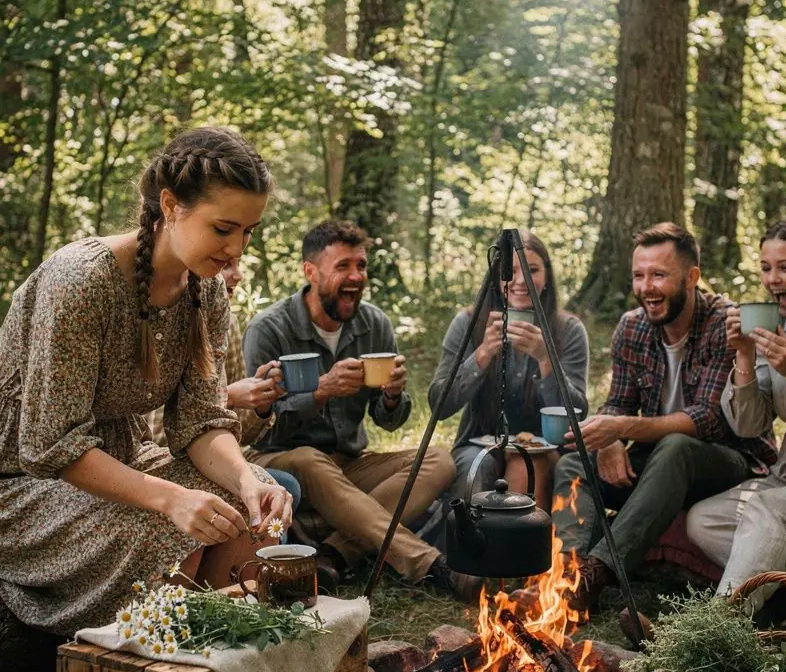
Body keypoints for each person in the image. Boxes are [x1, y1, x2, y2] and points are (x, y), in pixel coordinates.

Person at [0, 127, 292, 636]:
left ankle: (209, 661)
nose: (236, 250)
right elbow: (49, 444)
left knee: (256, 506)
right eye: (223, 228)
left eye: (248, 231)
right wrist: (171, 499)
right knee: (164, 526)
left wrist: (247, 480)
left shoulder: (207, 292)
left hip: (122, 457)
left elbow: (202, 424)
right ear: (170, 205)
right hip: (24, 479)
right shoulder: (80, 281)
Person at [551, 222, 776, 618]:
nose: (646, 287)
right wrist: (611, 439)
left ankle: (596, 576)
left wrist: (622, 429)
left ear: (692, 278)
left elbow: (709, 420)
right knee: (573, 462)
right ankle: (565, 578)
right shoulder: (632, 326)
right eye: (639, 276)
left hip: (731, 460)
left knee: (677, 447)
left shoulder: (724, 323)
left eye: (658, 275)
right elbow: (619, 402)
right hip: (659, 462)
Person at [242, 219, 469, 597]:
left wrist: (393, 396)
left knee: (440, 460)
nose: (356, 276)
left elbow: (390, 421)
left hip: (347, 463)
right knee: (309, 458)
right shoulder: (269, 329)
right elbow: (259, 426)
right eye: (343, 266)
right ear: (311, 272)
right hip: (279, 459)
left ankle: (334, 553)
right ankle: (429, 563)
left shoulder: (373, 324)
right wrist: (321, 392)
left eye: (361, 266)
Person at [687, 219, 786, 611]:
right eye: (765, 268)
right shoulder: (778, 330)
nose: (772, 279)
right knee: (705, 520)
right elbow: (748, 425)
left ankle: (720, 626)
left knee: (766, 510)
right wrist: (743, 355)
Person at [428, 231, 589, 506]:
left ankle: (515, 548)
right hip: (478, 443)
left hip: (545, 448)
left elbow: (576, 415)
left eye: (532, 270)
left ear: (547, 276)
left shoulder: (568, 330)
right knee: (474, 469)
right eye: (509, 271)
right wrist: (483, 354)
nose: (520, 281)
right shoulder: (469, 323)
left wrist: (545, 359)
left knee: (527, 465)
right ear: (495, 277)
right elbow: (439, 405)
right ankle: (462, 545)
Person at [149, 254, 302, 518]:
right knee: (280, 484)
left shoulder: (226, 324)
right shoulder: (164, 323)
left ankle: (270, 559)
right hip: (159, 466)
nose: (237, 274)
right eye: (226, 264)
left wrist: (261, 404)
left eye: (239, 264)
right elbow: (156, 435)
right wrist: (227, 396)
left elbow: (240, 436)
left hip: (213, 462)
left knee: (284, 487)